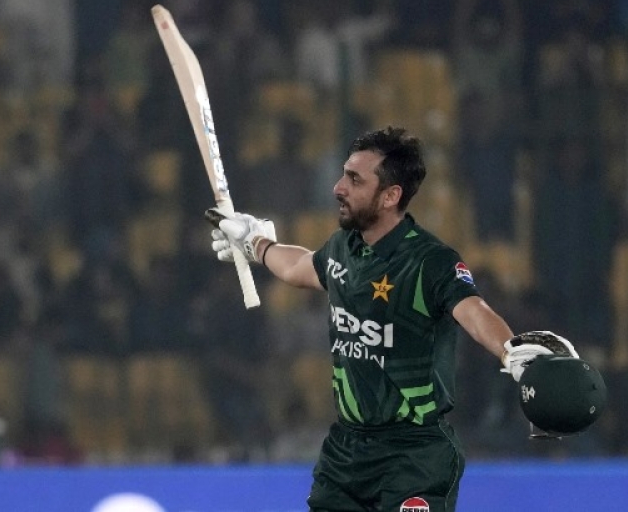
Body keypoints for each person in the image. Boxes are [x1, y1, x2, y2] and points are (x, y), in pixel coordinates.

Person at [208, 126, 579, 511]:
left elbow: (473, 310)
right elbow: (300, 267)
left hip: (414, 454)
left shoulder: (429, 261)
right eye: (343, 174)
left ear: (390, 196)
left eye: (354, 179)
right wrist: (254, 243)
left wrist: (509, 350)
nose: (338, 187)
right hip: (347, 454)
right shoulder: (343, 248)